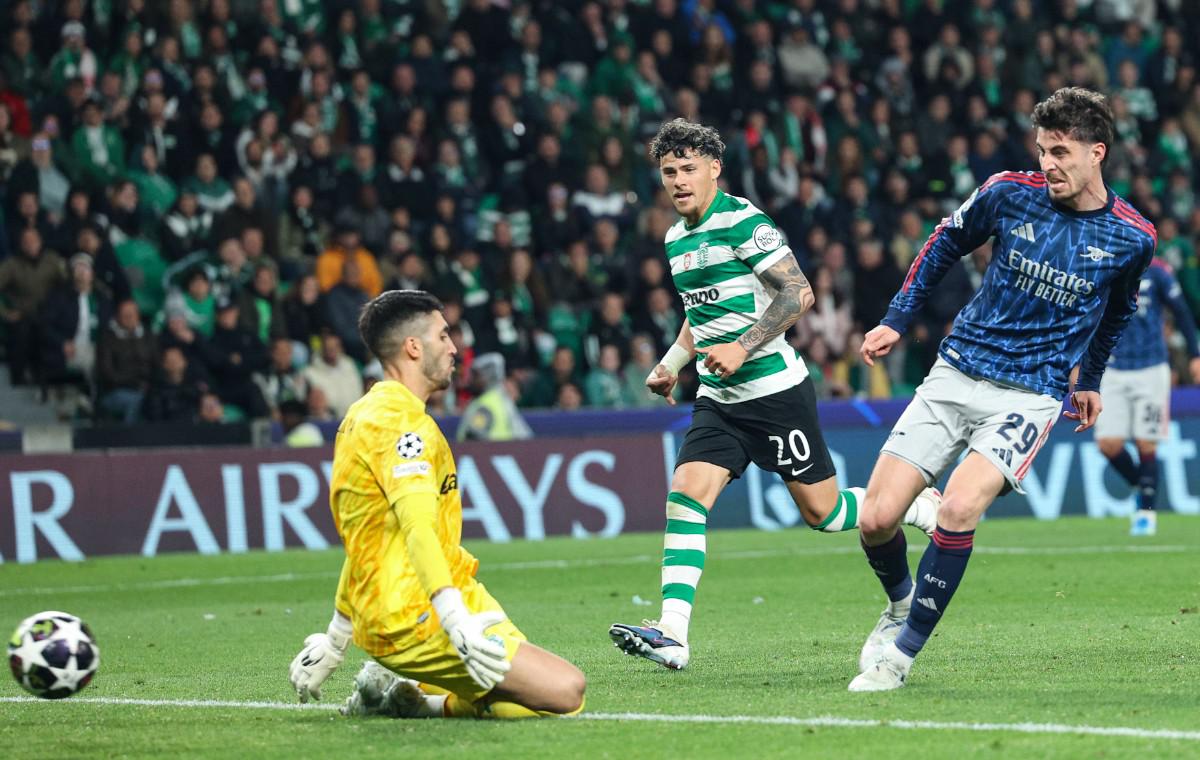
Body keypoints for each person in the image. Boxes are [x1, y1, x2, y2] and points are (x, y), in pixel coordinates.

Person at [847, 88, 1156, 692]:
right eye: (1043, 150)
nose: (1049, 164)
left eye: (1062, 152)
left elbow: (1118, 312)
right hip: (957, 370)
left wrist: (1088, 379)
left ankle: (900, 658)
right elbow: (943, 244)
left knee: (959, 508)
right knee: (876, 518)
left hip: (1031, 393)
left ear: (1098, 153)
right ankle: (902, 603)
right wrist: (896, 317)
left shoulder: (1132, 237)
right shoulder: (1007, 193)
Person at [608, 119, 940, 671]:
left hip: (774, 393)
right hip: (719, 399)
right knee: (686, 495)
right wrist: (671, 364)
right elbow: (698, 316)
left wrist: (742, 345)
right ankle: (673, 631)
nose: (679, 181)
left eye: (689, 169)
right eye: (669, 172)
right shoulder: (675, 239)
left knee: (824, 513)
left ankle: (912, 503)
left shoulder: (742, 222)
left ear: (714, 168)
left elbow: (798, 292)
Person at [287, 290, 585, 720]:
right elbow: (416, 528)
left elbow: (367, 537)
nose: (454, 348)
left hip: (452, 592)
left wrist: (336, 638)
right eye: (443, 336)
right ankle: (416, 703)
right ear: (413, 347)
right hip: (414, 616)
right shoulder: (403, 426)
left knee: (529, 693)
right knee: (564, 696)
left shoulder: (364, 414)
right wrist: (453, 617)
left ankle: (397, 691)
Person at [1095, 258, 1200, 537]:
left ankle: (1146, 514)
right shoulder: (1105, 267)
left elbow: (1182, 312)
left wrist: (1195, 355)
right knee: (1107, 444)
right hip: (1113, 368)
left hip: (1151, 368)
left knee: (1146, 441)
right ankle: (1144, 486)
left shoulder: (1158, 271)